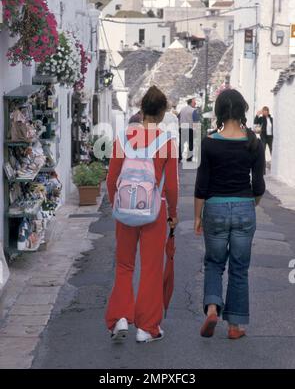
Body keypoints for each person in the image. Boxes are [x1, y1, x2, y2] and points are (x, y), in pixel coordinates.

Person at [105, 85, 179, 343]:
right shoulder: (167, 142)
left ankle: (120, 318)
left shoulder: (122, 138)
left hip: (125, 209)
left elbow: (111, 178)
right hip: (154, 211)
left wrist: (117, 204)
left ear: (142, 110)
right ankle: (147, 327)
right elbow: (171, 186)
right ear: (161, 114)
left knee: (124, 265)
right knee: (150, 268)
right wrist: (173, 213)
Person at [194, 89, 265, 339]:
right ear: (244, 110)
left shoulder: (210, 142)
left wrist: (197, 216)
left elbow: (202, 183)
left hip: (214, 206)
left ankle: (212, 308)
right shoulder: (254, 143)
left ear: (220, 112)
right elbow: (259, 184)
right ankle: (235, 326)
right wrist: (250, 204)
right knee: (239, 267)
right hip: (244, 206)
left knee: (214, 263)